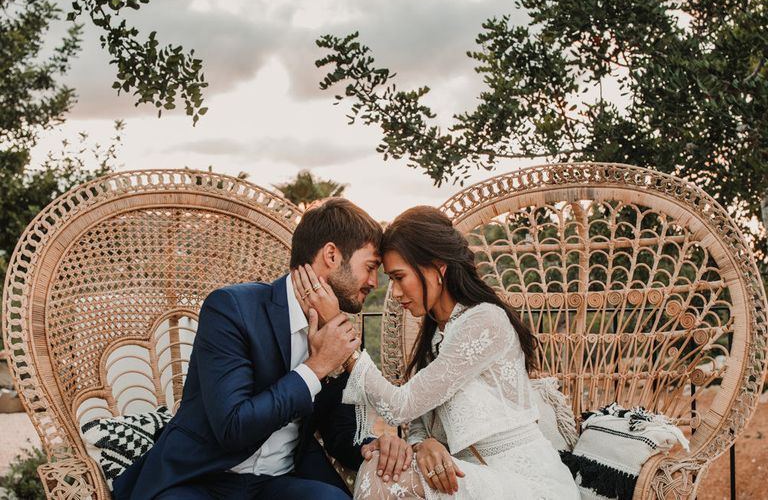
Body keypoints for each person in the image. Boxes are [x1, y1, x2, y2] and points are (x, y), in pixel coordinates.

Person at [113, 197, 411, 500]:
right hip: (200, 479)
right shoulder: (232, 309)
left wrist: (374, 445)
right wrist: (316, 367)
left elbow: (339, 431)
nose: (374, 282)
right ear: (332, 255)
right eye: (370, 267)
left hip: (278, 483)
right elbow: (233, 427)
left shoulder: (336, 327)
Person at [294, 205, 579, 499]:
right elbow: (418, 424)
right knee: (382, 468)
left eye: (399, 277)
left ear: (437, 267)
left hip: (523, 482)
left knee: (383, 476)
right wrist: (424, 445)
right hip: (467, 476)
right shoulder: (436, 336)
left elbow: (400, 407)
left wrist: (342, 342)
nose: (394, 292)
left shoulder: (485, 321)